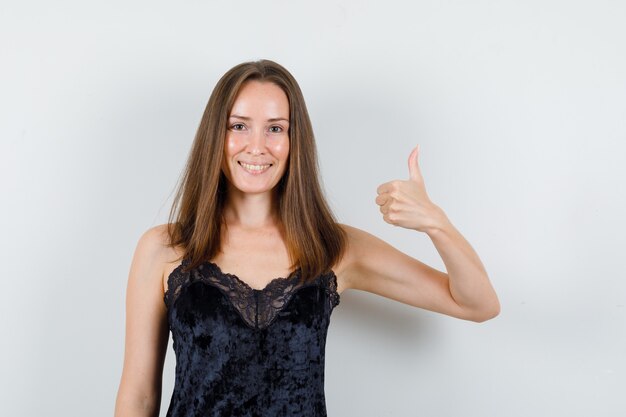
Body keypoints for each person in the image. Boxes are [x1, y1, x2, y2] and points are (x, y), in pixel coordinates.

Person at [114, 59, 500, 417]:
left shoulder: (334, 248)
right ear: (216, 135)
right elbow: (139, 395)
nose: (257, 145)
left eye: (276, 128)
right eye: (239, 125)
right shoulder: (163, 249)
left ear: (294, 141)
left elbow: (477, 303)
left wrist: (436, 224)